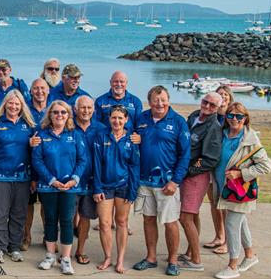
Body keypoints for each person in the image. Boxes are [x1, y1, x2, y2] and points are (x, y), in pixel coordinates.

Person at [132, 85, 190, 276]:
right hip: (144, 181)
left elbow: (185, 154)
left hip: (167, 184)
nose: (160, 103)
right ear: (149, 102)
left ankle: (173, 261)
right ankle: (151, 258)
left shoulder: (179, 122)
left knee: (170, 222)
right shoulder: (141, 119)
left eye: (163, 99)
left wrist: (175, 181)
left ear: (169, 100)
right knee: (148, 220)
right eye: (156, 100)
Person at [213, 102, 271, 279]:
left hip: (239, 190)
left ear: (245, 118)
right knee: (241, 223)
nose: (235, 119)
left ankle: (233, 265)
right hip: (223, 186)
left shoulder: (251, 139)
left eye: (239, 116)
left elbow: (265, 166)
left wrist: (241, 173)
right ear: (226, 117)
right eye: (231, 115)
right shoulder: (222, 134)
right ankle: (250, 256)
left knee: (231, 224)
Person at [32, 100, 88, 275]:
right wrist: (51, 180)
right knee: (50, 220)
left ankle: (65, 259)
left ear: (68, 115)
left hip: (69, 187)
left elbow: (82, 160)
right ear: (50, 115)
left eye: (63, 112)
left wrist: (74, 180)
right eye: (56, 112)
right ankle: (49, 255)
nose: (59, 115)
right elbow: (37, 160)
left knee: (66, 222)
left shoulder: (75, 134)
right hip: (49, 187)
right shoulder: (41, 134)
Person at [0, 90, 39, 264]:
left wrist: (34, 177)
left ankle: (14, 247)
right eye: (10, 103)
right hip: (0, 175)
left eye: (17, 104)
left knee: (19, 214)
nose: (13, 106)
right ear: (5, 104)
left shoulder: (29, 125)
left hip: (23, 177)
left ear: (21, 106)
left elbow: (36, 153)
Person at [92, 105, 140, 274]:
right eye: (114, 117)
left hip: (124, 187)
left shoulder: (132, 140)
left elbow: (134, 167)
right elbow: (96, 164)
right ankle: (107, 257)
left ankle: (120, 260)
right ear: (109, 118)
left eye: (120, 118)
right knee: (104, 223)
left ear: (126, 120)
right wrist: (96, 187)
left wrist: (133, 190)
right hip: (105, 187)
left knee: (121, 223)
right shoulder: (101, 136)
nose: (117, 121)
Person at [179, 92, 224, 271]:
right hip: (187, 173)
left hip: (195, 177)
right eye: (205, 102)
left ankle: (196, 260)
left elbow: (210, 159)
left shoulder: (213, 127)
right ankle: (190, 252)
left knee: (185, 217)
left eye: (212, 105)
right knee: (193, 215)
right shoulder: (194, 116)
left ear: (218, 108)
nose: (207, 106)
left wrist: (188, 172)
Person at [72, 96, 108, 266]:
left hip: (91, 181)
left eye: (89, 108)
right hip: (71, 181)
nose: (86, 111)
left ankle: (80, 251)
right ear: (75, 109)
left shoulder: (101, 129)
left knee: (85, 217)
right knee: (67, 216)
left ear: (94, 109)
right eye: (82, 108)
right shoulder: (68, 126)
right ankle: (65, 251)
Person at [206, 85, 235, 255]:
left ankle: (227, 242)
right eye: (219, 94)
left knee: (225, 205)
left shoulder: (233, 117)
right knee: (214, 203)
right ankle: (219, 235)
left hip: (226, 168)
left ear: (230, 98)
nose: (222, 97)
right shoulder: (211, 117)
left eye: (225, 95)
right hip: (211, 167)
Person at [24, 78, 50, 250]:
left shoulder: (53, 108)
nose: (39, 91)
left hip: (49, 165)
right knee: (29, 204)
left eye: (43, 88)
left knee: (47, 205)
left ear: (48, 91)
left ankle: (48, 236)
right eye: (36, 88)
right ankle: (26, 237)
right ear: (31, 91)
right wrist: (29, 142)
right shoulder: (25, 109)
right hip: (28, 163)